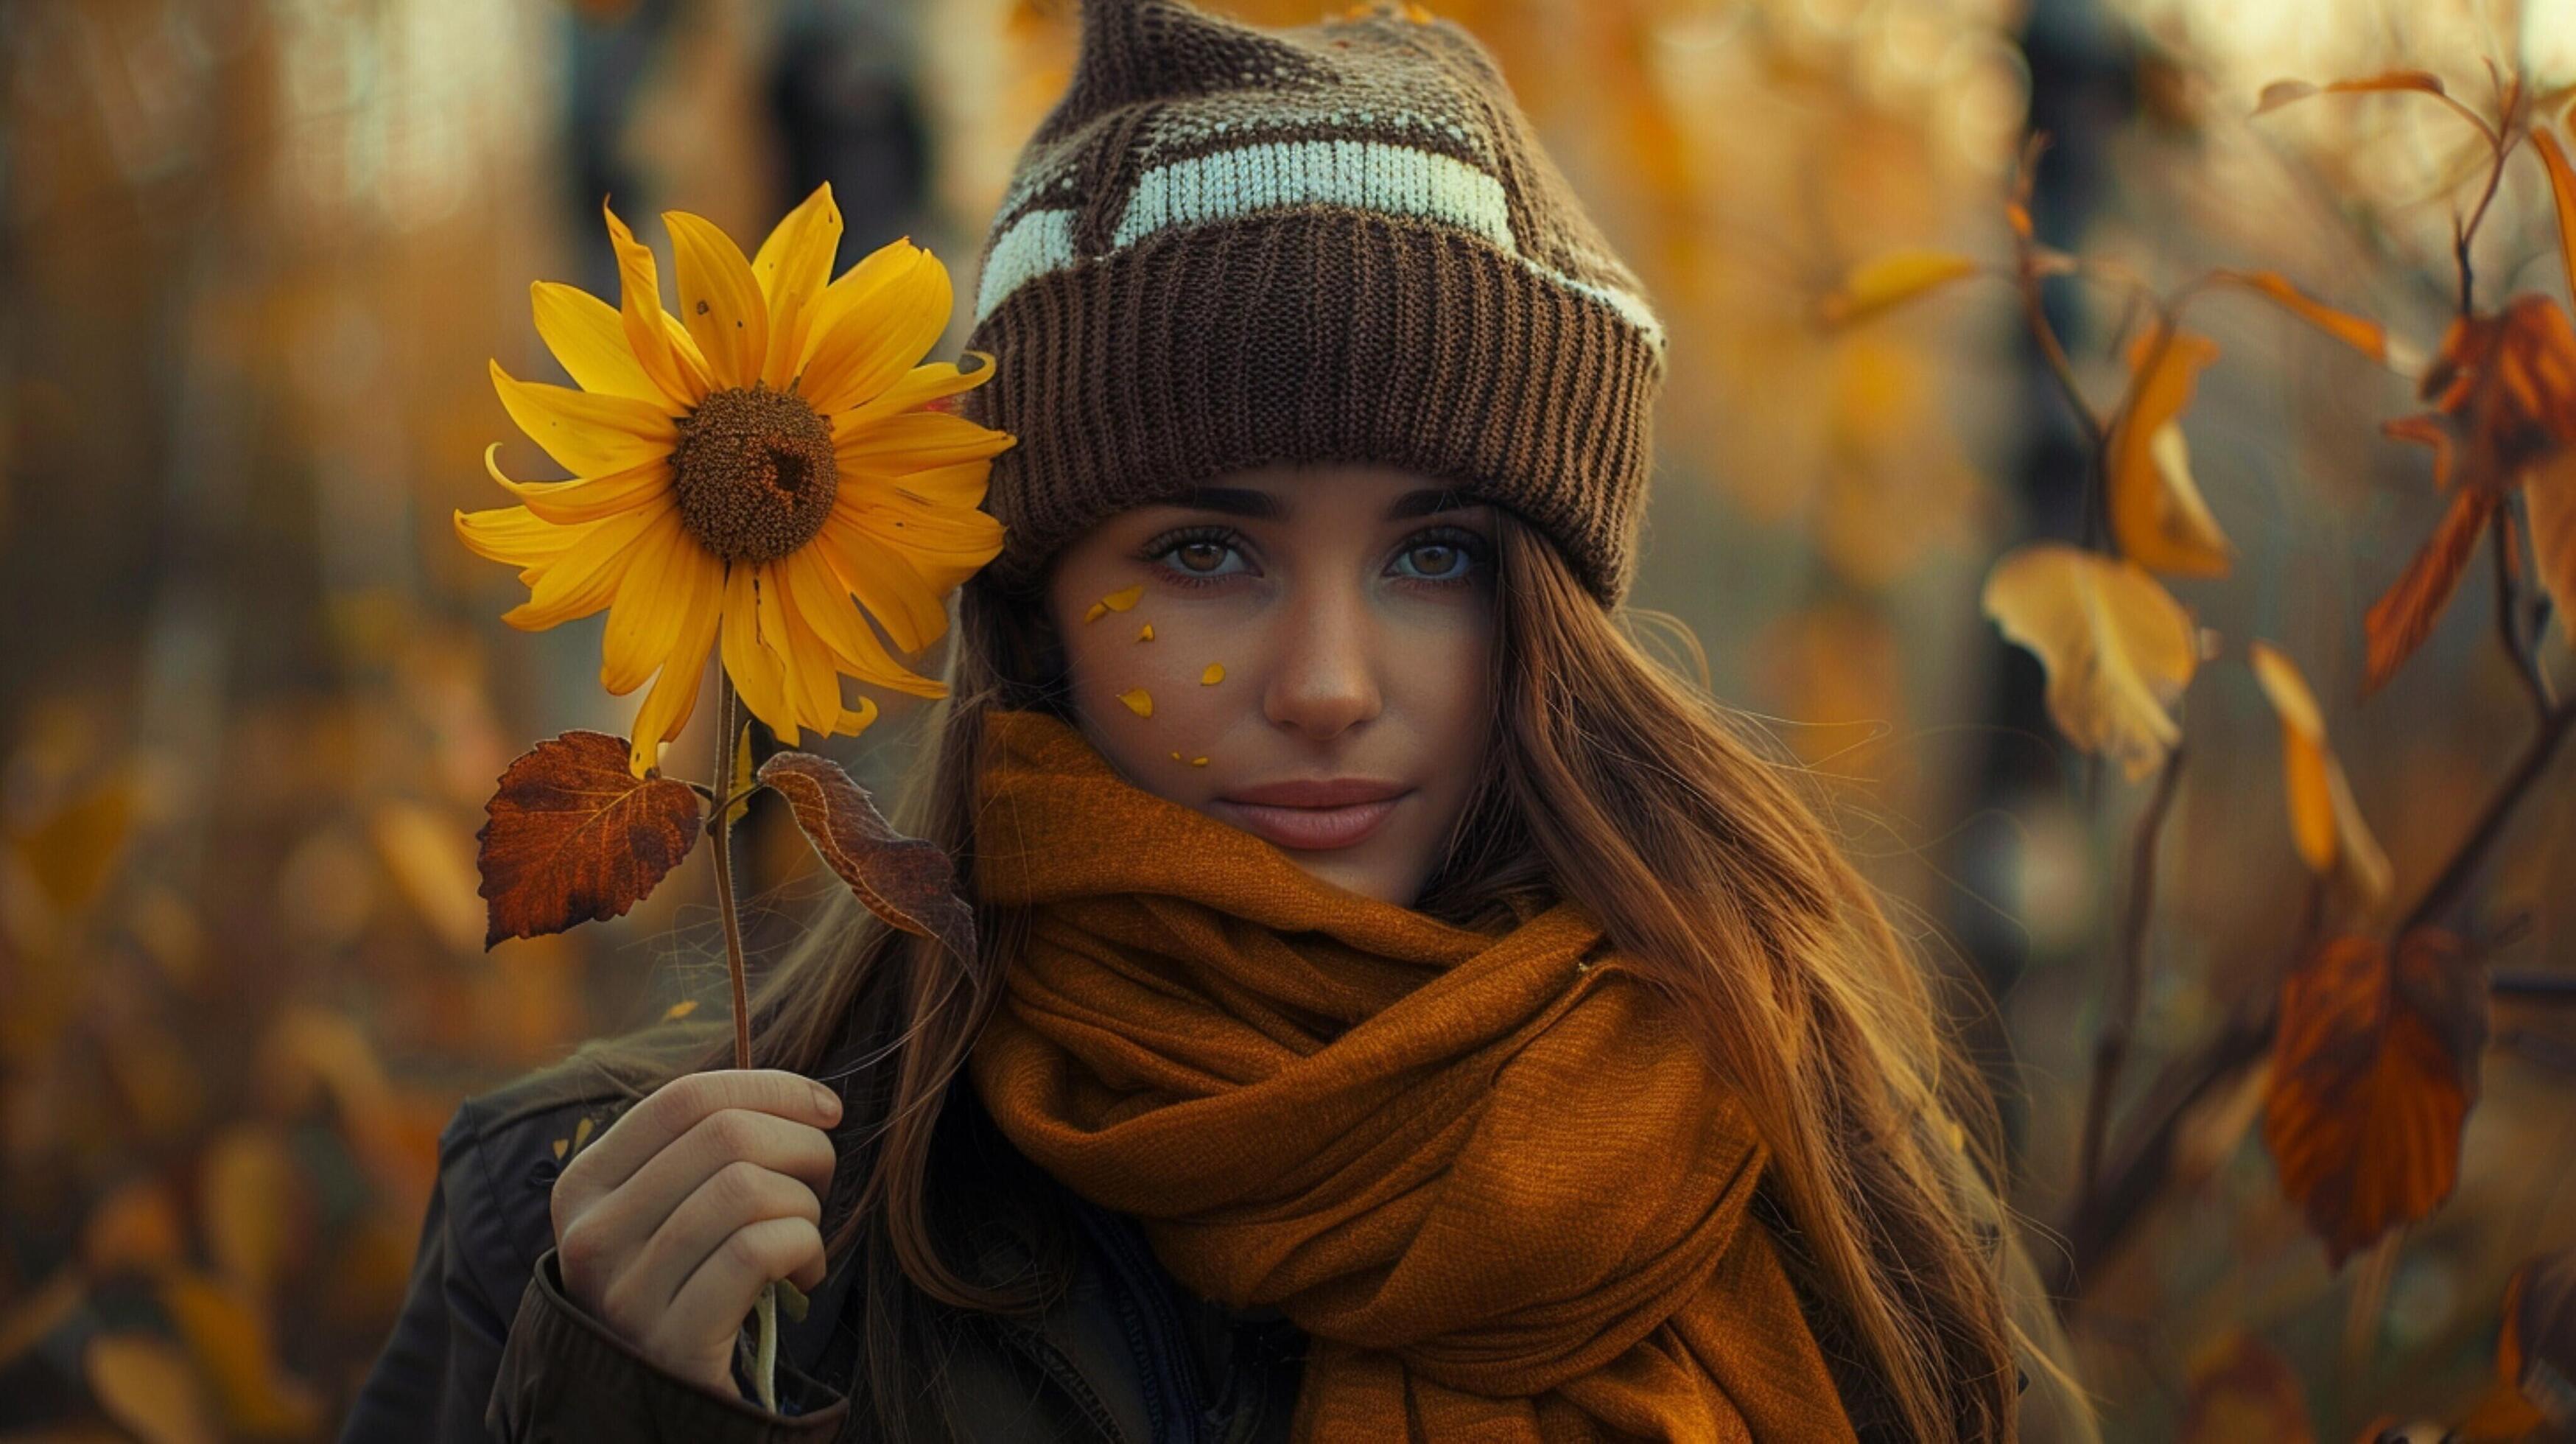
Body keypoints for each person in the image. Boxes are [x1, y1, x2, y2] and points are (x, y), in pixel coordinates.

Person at [347, 1, 2100, 1440]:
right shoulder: (635, 1218)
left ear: (1553, 611)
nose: (1330, 683)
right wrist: (606, 1399)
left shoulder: (1812, 1147)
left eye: (1433, 553)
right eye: (1205, 550)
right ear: (1037, 608)